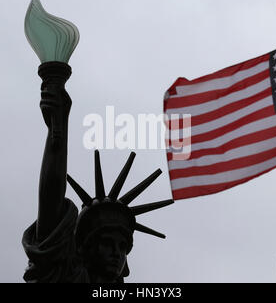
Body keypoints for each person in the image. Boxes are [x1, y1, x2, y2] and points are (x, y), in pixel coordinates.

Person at [22, 62, 173, 283]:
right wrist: (58, 126)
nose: (116, 253)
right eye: (107, 243)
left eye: (122, 247)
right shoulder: (64, 276)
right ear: (86, 246)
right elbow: (52, 193)